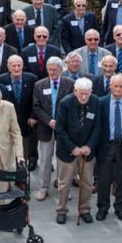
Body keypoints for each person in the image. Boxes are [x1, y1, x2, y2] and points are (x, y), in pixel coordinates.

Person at [53, 78, 102, 225]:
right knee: (64, 183)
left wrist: (89, 146)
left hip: (87, 152)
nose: (84, 97)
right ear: (75, 91)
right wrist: (72, 147)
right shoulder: (65, 103)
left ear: (91, 91)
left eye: (87, 93)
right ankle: (61, 210)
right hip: (67, 151)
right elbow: (60, 129)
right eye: (81, 93)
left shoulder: (95, 102)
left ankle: (85, 209)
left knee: (87, 182)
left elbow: (97, 127)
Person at [95, 74, 122, 221]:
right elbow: (98, 125)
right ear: (110, 87)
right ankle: (103, 207)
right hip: (106, 146)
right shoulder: (101, 103)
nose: (118, 89)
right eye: (115, 86)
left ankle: (120, 207)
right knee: (104, 178)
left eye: (121, 86)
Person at [32, 58, 70, 200]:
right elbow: (36, 107)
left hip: (64, 128)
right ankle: (43, 188)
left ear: (61, 69)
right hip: (45, 128)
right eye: (50, 69)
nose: (52, 72)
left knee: (63, 161)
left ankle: (63, 188)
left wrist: (59, 122)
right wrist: (49, 121)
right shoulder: (39, 85)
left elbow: (71, 106)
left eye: (55, 69)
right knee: (45, 160)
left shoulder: (69, 84)